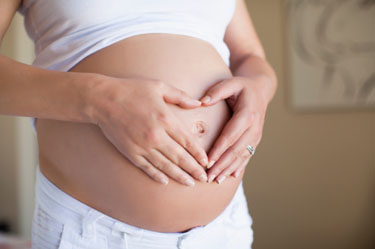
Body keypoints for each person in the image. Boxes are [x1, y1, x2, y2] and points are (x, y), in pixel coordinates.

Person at [0, 0, 277, 248]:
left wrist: (259, 91)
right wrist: (101, 100)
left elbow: (249, 57)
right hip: (91, 232)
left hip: (223, 231)